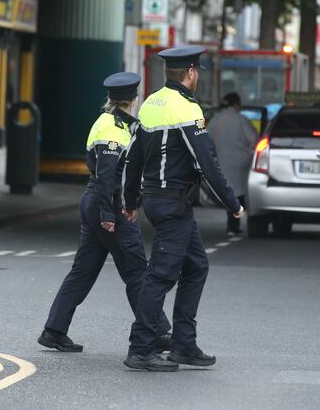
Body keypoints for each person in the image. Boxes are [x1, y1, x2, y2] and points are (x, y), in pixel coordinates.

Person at [122, 45, 245, 372]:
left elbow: (133, 157)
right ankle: (141, 348)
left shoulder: (151, 102)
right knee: (160, 275)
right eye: (198, 72)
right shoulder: (186, 110)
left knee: (196, 266)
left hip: (159, 199)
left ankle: (184, 345)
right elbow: (207, 163)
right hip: (173, 202)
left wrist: (130, 199)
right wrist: (233, 203)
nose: (198, 76)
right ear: (191, 73)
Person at [38, 72, 171, 353]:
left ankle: (54, 329)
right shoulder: (113, 129)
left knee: (83, 271)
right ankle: (157, 331)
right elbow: (107, 176)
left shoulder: (107, 121)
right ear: (133, 99)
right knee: (137, 270)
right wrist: (110, 215)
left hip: (95, 201)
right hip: (109, 204)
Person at [207, 92, 258, 235]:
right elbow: (254, 139)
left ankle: (232, 225)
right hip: (243, 162)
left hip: (222, 162)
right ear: (236, 104)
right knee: (241, 193)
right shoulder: (241, 120)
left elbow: (206, 139)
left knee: (230, 192)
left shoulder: (215, 120)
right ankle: (235, 225)